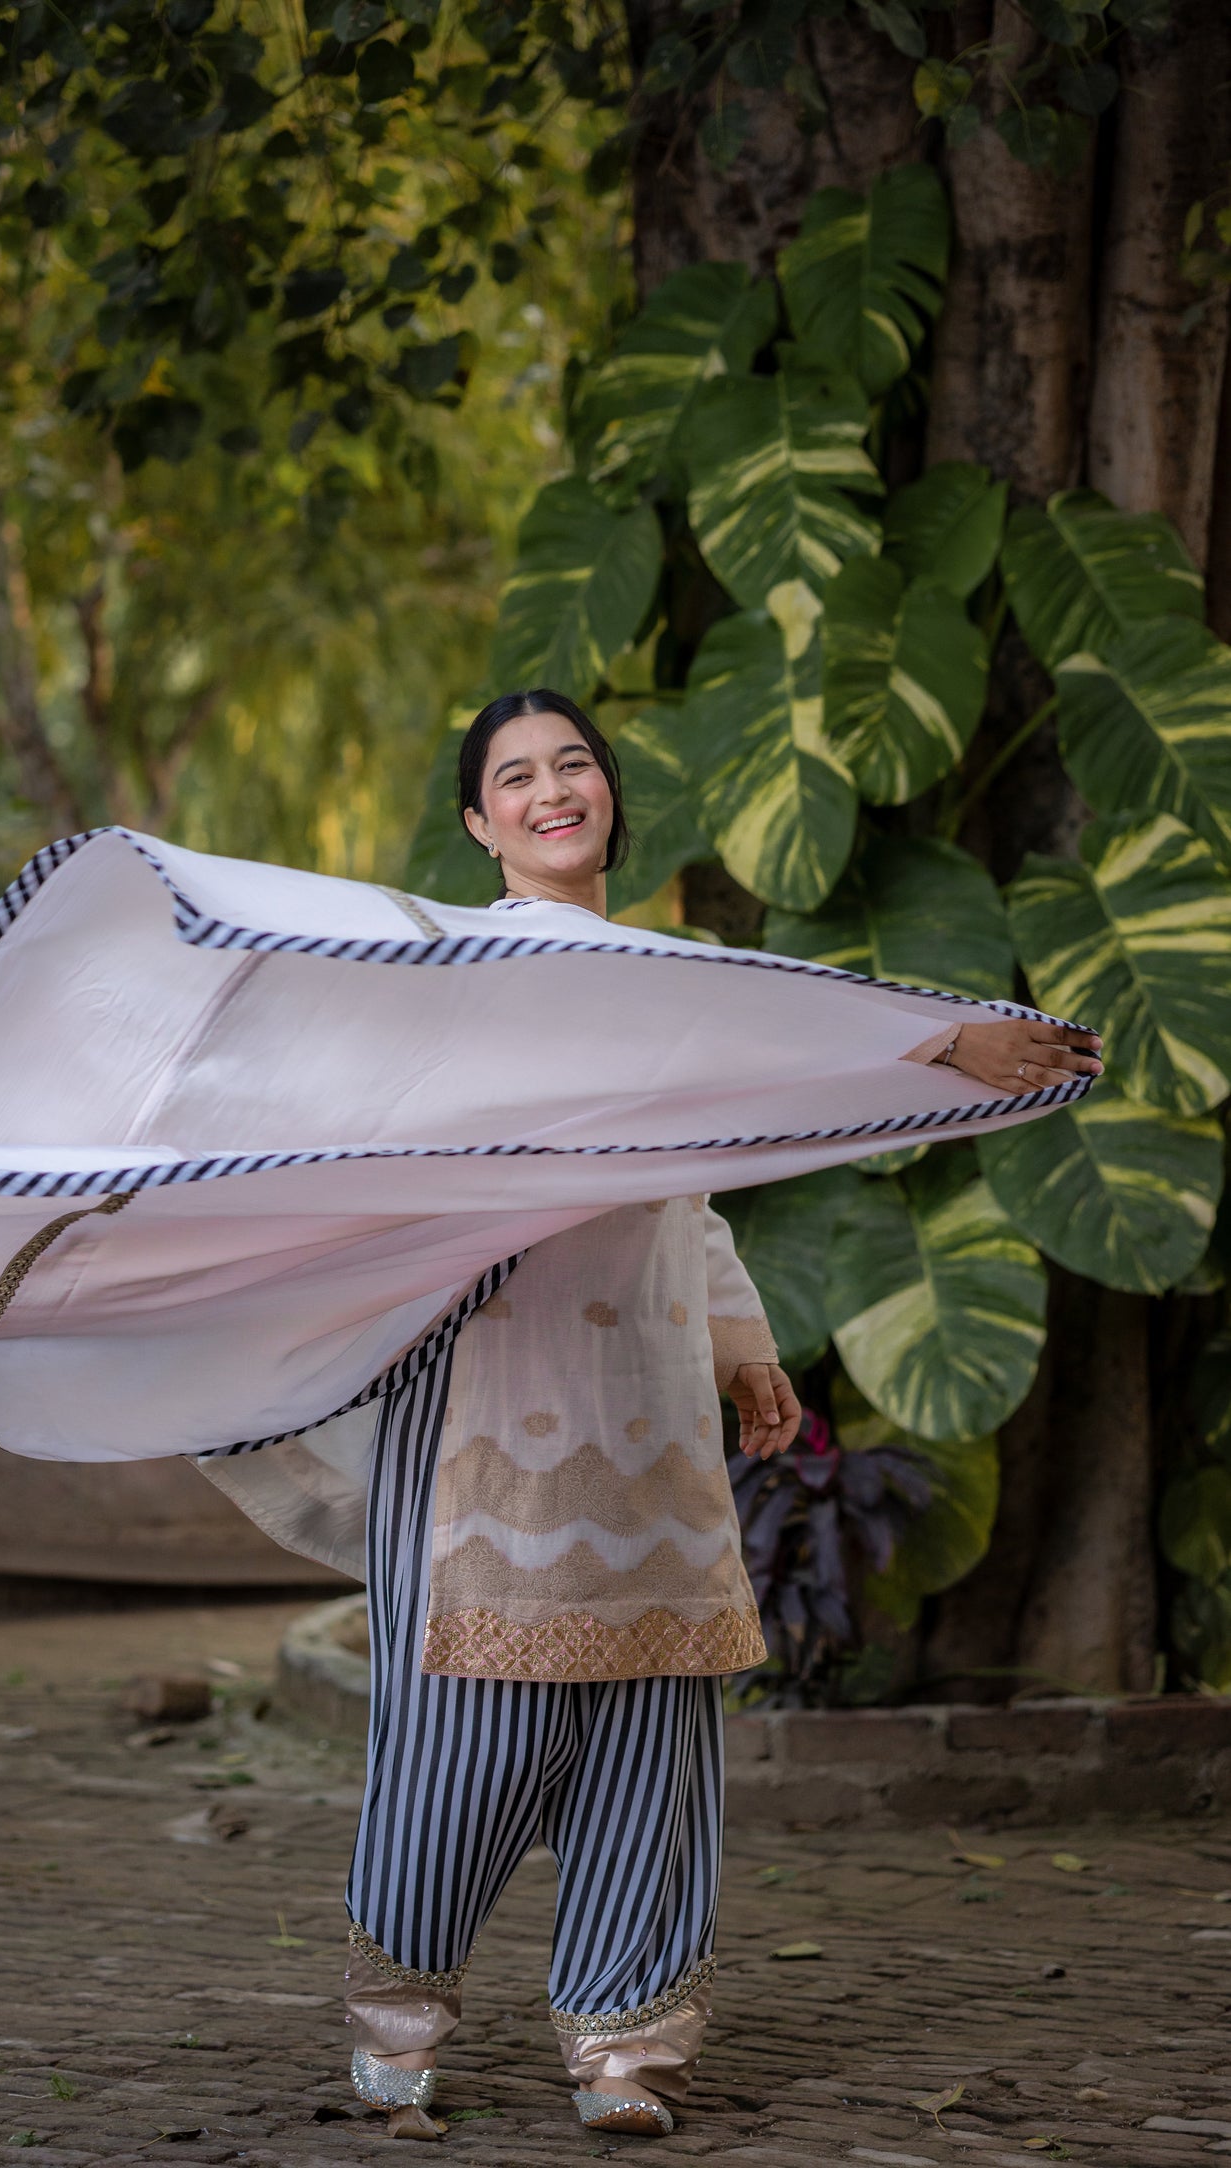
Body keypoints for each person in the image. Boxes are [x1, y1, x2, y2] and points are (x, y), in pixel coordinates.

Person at [335, 688, 1103, 2140]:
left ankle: (622, 2040)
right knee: (461, 1726)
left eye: (573, 763)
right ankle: (399, 2017)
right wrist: (937, 1046)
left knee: (652, 1727)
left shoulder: (679, 979)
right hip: (486, 1390)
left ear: (608, 796)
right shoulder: (446, 976)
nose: (550, 788)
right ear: (475, 823)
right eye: (516, 775)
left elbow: (693, 1178)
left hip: (646, 1404)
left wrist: (744, 1352)